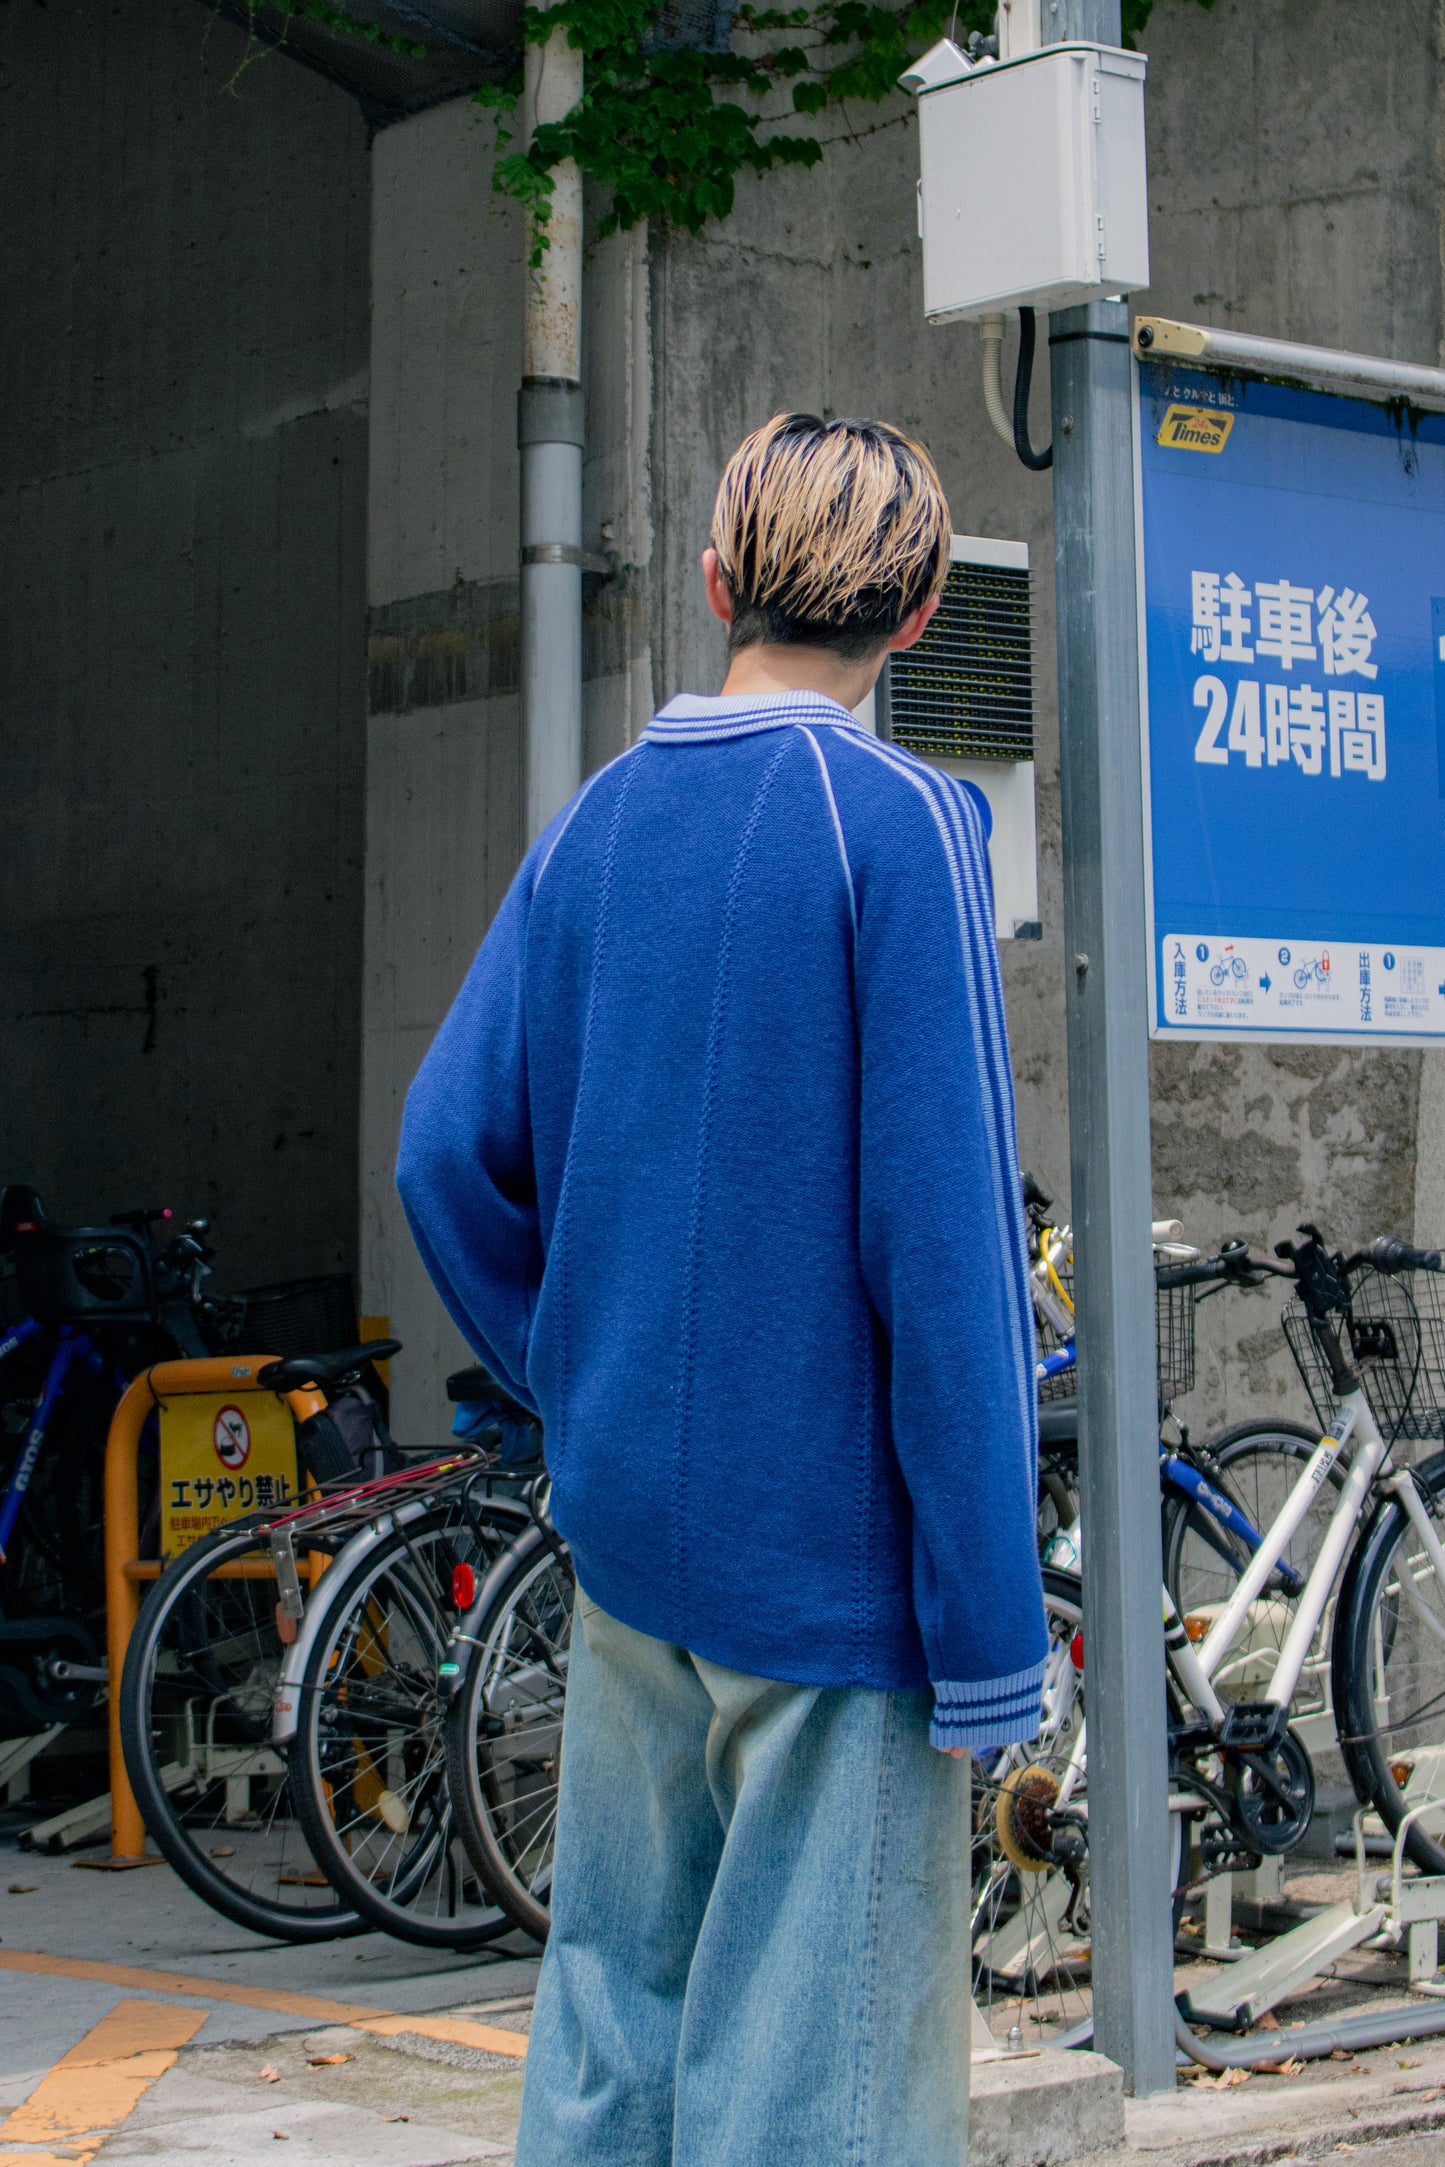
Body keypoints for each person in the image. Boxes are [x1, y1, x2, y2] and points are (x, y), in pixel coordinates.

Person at [397, 412, 1047, 2167]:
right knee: (816, 2077)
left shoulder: (595, 827)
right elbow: (947, 1260)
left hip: (629, 1538)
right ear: (917, 611)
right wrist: (992, 1640)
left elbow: (442, 1154)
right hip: (831, 1567)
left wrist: (571, 1377)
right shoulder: (903, 824)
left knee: (614, 2012)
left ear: (711, 581)